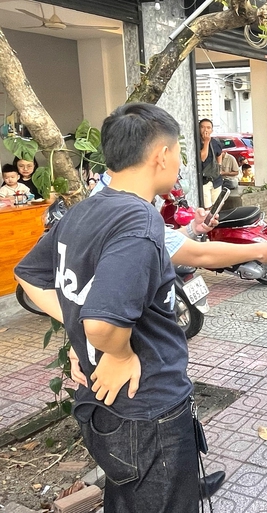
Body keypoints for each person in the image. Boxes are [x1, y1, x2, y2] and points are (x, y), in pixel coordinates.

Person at [14, 103, 216, 512]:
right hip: (148, 411)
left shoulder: (86, 209)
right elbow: (103, 324)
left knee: (126, 500)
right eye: (179, 151)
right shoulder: (139, 222)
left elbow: (29, 276)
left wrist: (75, 320)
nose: (180, 161)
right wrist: (118, 352)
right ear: (160, 154)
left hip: (107, 410)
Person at [90, 169, 267, 268]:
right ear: (160, 157)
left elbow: (160, 243)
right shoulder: (129, 210)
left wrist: (193, 228)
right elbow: (200, 255)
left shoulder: (102, 198)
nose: (178, 175)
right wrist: (258, 250)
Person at [199, 118, 223, 208]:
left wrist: (219, 166)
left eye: (208, 128)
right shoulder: (197, 142)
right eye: (202, 127)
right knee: (207, 207)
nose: (205, 130)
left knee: (216, 206)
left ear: (212, 130)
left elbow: (219, 154)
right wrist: (206, 142)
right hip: (204, 179)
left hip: (216, 179)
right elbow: (202, 158)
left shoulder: (215, 142)